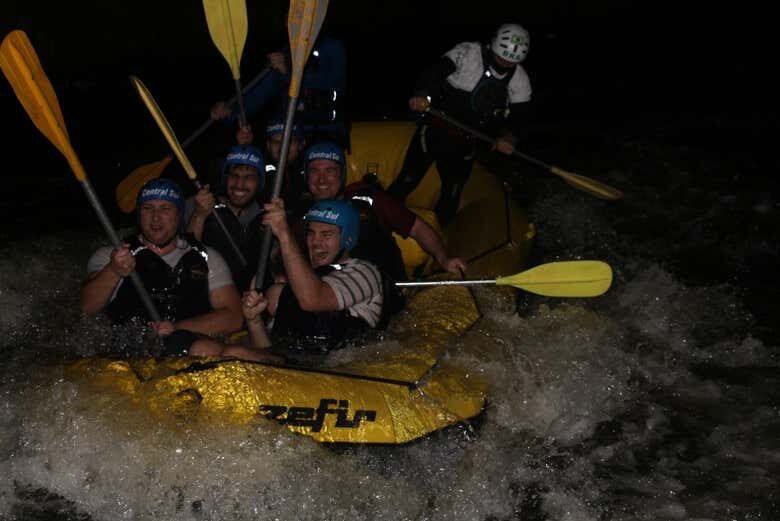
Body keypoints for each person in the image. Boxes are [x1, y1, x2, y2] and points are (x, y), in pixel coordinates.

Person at [387, 23, 533, 225]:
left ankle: (439, 237)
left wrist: (509, 137)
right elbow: (435, 72)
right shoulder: (468, 53)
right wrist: (422, 94)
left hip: (466, 142)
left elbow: (520, 117)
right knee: (407, 180)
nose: (505, 64)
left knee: (452, 193)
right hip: (436, 129)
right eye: (501, 58)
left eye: (511, 62)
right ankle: (381, 220)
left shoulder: (520, 79)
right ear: (492, 46)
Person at [80, 178, 243, 357]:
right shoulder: (112, 257)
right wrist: (113, 271)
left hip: (188, 352)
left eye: (165, 209)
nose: (155, 217)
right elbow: (86, 307)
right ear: (139, 214)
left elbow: (234, 317)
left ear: (179, 215)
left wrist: (176, 328)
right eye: (147, 208)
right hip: (126, 357)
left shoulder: (206, 258)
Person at [298, 141, 467, 284]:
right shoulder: (300, 213)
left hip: (380, 290)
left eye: (330, 171)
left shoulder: (369, 199)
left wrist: (443, 259)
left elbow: (417, 228)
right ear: (306, 177)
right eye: (314, 171)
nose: (322, 180)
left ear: (342, 175)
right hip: (326, 291)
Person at [236, 198, 384, 356]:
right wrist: (254, 321)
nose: (316, 242)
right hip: (297, 371)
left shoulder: (366, 273)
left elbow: (312, 299)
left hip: (343, 374)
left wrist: (284, 233)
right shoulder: (297, 281)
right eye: (311, 233)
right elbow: (269, 353)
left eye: (326, 234)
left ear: (348, 238)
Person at [211, 34, 348, 149]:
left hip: (329, 131)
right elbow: (259, 95)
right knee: (275, 147)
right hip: (292, 132)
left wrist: (289, 73)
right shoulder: (287, 53)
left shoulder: (333, 47)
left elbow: (333, 81)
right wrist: (230, 112)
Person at [184, 144, 268, 291]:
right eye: (234, 176)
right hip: (208, 290)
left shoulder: (267, 215)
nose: (239, 185)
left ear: (259, 182)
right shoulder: (198, 203)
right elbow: (185, 259)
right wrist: (199, 215)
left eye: (249, 177)